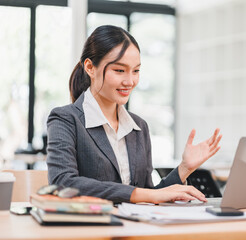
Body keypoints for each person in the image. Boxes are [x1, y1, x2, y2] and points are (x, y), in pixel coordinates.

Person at [46, 25, 222, 204]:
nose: (130, 81)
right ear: (90, 67)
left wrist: (184, 168)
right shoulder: (65, 119)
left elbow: (149, 195)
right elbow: (62, 183)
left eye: (136, 71)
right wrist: (144, 195)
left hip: (136, 226)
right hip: (92, 228)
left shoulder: (138, 127)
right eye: (119, 70)